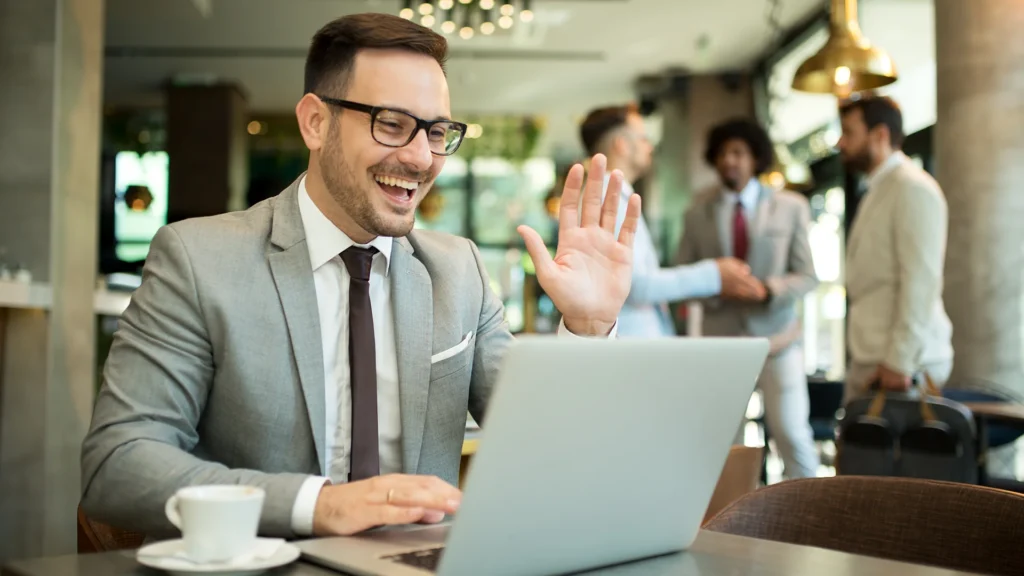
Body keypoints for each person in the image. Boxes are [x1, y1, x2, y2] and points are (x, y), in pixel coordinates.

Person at [80, 13, 641, 540]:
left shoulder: (458, 271)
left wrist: (588, 327)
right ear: (316, 122)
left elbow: (550, 445)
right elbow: (119, 461)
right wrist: (318, 506)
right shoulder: (199, 259)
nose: (422, 158)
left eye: (437, 132)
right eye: (393, 124)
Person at [676, 118, 820, 479]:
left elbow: (807, 276)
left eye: (738, 152)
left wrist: (769, 289)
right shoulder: (697, 214)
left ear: (755, 157)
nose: (730, 161)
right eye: (723, 153)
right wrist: (718, 288)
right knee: (725, 443)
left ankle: (814, 518)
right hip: (721, 342)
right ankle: (731, 520)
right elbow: (682, 277)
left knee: (792, 433)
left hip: (778, 341)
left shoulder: (790, 207)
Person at [578, 104, 758, 338]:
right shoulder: (608, 197)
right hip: (631, 344)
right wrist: (714, 274)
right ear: (621, 145)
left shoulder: (613, 194)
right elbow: (637, 286)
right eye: (643, 138)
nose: (650, 146)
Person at [837, 95, 953, 401]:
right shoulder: (879, 187)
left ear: (880, 135)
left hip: (903, 365)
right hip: (874, 358)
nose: (841, 142)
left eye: (849, 132)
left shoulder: (911, 187)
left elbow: (921, 280)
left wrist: (899, 360)